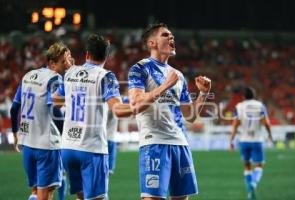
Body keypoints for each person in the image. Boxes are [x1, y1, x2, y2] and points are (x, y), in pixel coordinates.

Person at [128, 23, 211, 200]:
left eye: (172, 36)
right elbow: (135, 103)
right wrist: (165, 86)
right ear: (152, 43)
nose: (171, 38)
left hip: (180, 143)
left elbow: (190, 115)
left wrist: (203, 93)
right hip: (155, 143)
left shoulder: (178, 75)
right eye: (166, 35)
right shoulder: (140, 69)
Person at [53, 33, 132, 200]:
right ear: (106, 56)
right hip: (91, 148)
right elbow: (117, 109)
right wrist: (142, 105)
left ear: (87, 54)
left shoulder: (70, 73)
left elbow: (54, 102)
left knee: (81, 197)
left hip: (68, 148)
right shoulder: (105, 76)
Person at [10, 42, 69, 200]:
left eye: (68, 59)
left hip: (28, 144)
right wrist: (66, 136)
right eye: (63, 61)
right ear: (51, 63)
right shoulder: (55, 79)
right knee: (46, 194)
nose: (67, 64)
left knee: (35, 192)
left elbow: (14, 109)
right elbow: (55, 109)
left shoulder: (28, 76)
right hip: (47, 145)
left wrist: (16, 134)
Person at [229, 86, 273, 200]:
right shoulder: (260, 105)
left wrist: (231, 141)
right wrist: (270, 135)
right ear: (254, 96)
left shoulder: (239, 106)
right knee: (259, 164)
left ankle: (249, 191)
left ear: (243, 96)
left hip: (244, 141)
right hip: (257, 140)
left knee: (247, 166)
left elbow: (235, 125)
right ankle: (253, 183)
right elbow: (266, 123)